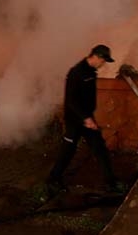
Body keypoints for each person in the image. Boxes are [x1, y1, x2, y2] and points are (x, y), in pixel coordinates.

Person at [46, 44, 125, 197]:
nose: (103, 65)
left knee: (100, 149)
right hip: (75, 120)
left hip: (87, 119)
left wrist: (89, 118)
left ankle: (111, 182)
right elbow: (71, 100)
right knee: (67, 151)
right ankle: (52, 180)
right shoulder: (77, 72)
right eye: (103, 61)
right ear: (95, 57)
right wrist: (86, 118)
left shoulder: (91, 72)